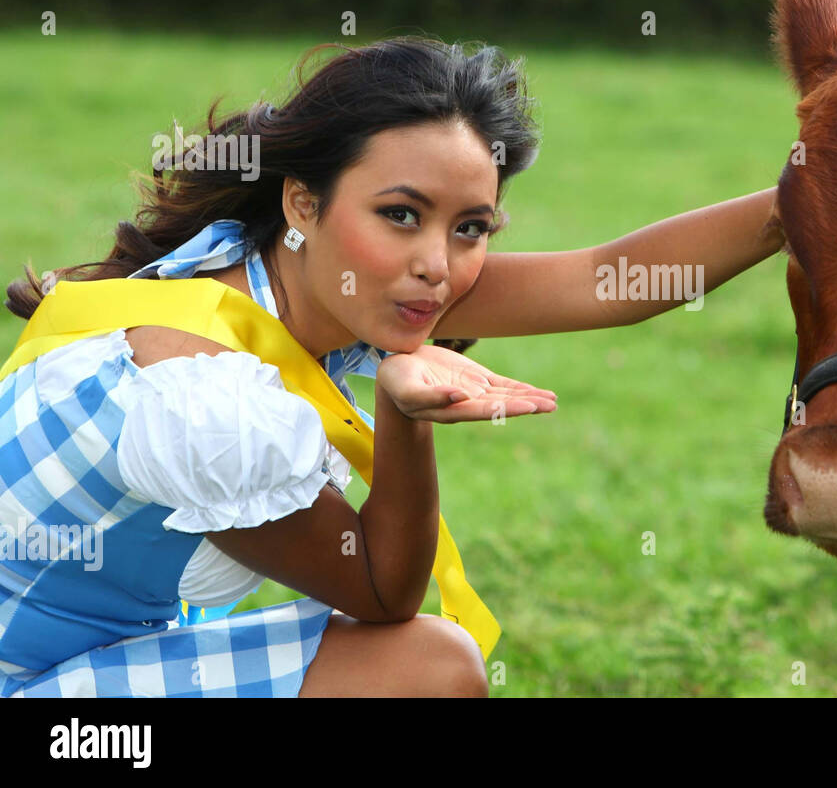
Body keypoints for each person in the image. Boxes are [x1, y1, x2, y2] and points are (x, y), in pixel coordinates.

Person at [0, 36, 783, 697]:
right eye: (400, 214)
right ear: (304, 203)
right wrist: (405, 418)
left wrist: (807, 197)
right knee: (432, 668)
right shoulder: (204, 385)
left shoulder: (281, 273)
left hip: (85, 667)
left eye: (471, 227)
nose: (436, 265)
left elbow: (607, 281)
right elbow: (381, 589)